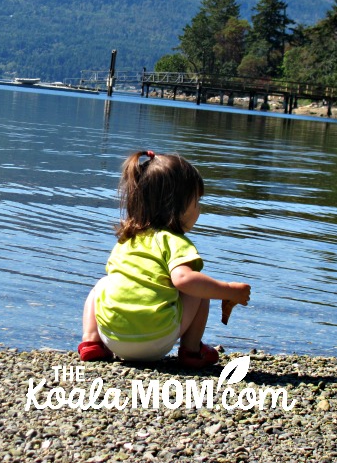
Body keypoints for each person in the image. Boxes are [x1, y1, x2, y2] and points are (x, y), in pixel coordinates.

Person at [78, 151, 251, 368]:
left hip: (112, 335)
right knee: (197, 289)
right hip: (154, 340)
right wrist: (228, 290)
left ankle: (92, 341)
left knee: (102, 284)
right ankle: (192, 350)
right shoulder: (175, 241)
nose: (199, 208)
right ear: (176, 205)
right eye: (196, 200)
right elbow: (184, 280)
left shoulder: (126, 240)